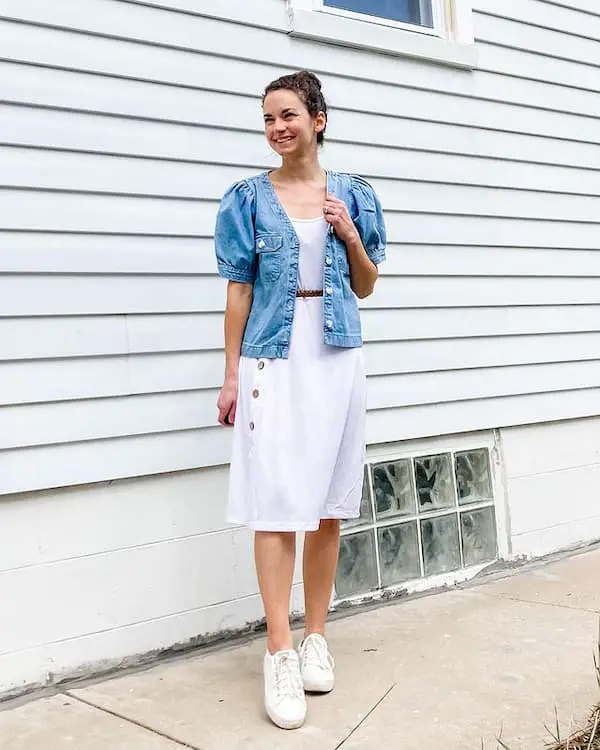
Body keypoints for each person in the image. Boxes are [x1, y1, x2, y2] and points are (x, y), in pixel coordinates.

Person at [214, 70, 386, 730]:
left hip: (337, 355)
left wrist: (346, 235)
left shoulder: (355, 196)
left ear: (318, 118)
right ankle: (279, 649)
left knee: (328, 500)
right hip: (273, 360)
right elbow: (238, 293)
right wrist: (231, 375)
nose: (276, 128)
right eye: (267, 118)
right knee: (275, 501)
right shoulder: (246, 200)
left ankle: (317, 635)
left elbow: (368, 286)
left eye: (288, 114)